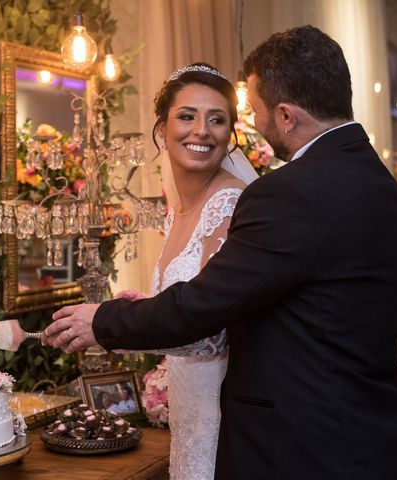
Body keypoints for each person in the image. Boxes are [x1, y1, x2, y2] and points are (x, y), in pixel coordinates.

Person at [43, 25, 397, 479]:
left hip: (311, 448)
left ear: (285, 115)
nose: (256, 129)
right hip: (372, 433)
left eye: (254, 113)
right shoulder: (376, 179)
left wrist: (102, 321)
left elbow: (205, 304)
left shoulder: (291, 192)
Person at [105, 62, 255, 479]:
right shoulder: (176, 211)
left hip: (225, 413)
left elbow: (210, 333)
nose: (201, 131)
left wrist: (113, 331)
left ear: (231, 135)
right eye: (187, 116)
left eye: (217, 120)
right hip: (187, 414)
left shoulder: (231, 204)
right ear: (161, 129)